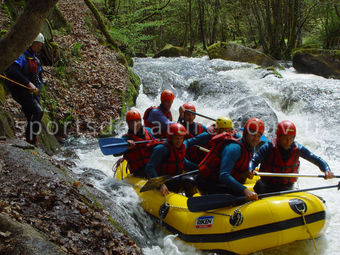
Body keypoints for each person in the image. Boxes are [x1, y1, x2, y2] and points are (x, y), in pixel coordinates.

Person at [249, 120, 334, 194]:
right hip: (266, 185)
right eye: (285, 137)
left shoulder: (298, 148)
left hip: (287, 187)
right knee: (259, 186)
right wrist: (250, 169)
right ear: (279, 137)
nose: (288, 141)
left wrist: (327, 170)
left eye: (291, 138)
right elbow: (254, 160)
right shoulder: (268, 147)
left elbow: (316, 159)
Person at [197, 118, 266, 201]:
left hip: (221, 182)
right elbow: (224, 175)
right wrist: (245, 190)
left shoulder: (250, 147)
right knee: (243, 198)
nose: (256, 138)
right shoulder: (234, 148)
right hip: (209, 183)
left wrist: (246, 172)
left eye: (258, 136)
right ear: (246, 133)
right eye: (253, 134)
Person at [145, 123, 211, 196]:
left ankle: (204, 196)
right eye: (177, 138)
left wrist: (201, 168)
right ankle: (194, 202)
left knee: (199, 177)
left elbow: (193, 140)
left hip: (174, 178)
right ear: (171, 137)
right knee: (188, 180)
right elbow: (149, 167)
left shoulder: (182, 145)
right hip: (163, 180)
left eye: (181, 138)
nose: (179, 141)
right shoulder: (162, 149)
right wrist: (160, 184)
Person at [5, 33, 45, 146]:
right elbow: (13, 71)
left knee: (32, 115)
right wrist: (28, 84)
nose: (39, 47)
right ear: (31, 43)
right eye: (37, 45)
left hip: (31, 92)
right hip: (20, 89)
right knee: (38, 112)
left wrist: (38, 87)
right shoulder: (21, 56)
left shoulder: (36, 60)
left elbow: (40, 78)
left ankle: (31, 139)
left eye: (40, 46)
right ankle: (31, 140)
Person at [121, 110, 155, 177]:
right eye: (131, 122)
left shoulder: (148, 131)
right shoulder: (125, 138)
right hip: (139, 170)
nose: (135, 124)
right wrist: (126, 147)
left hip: (153, 165)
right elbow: (115, 153)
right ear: (128, 124)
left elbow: (157, 144)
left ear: (140, 121)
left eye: (137, 121)